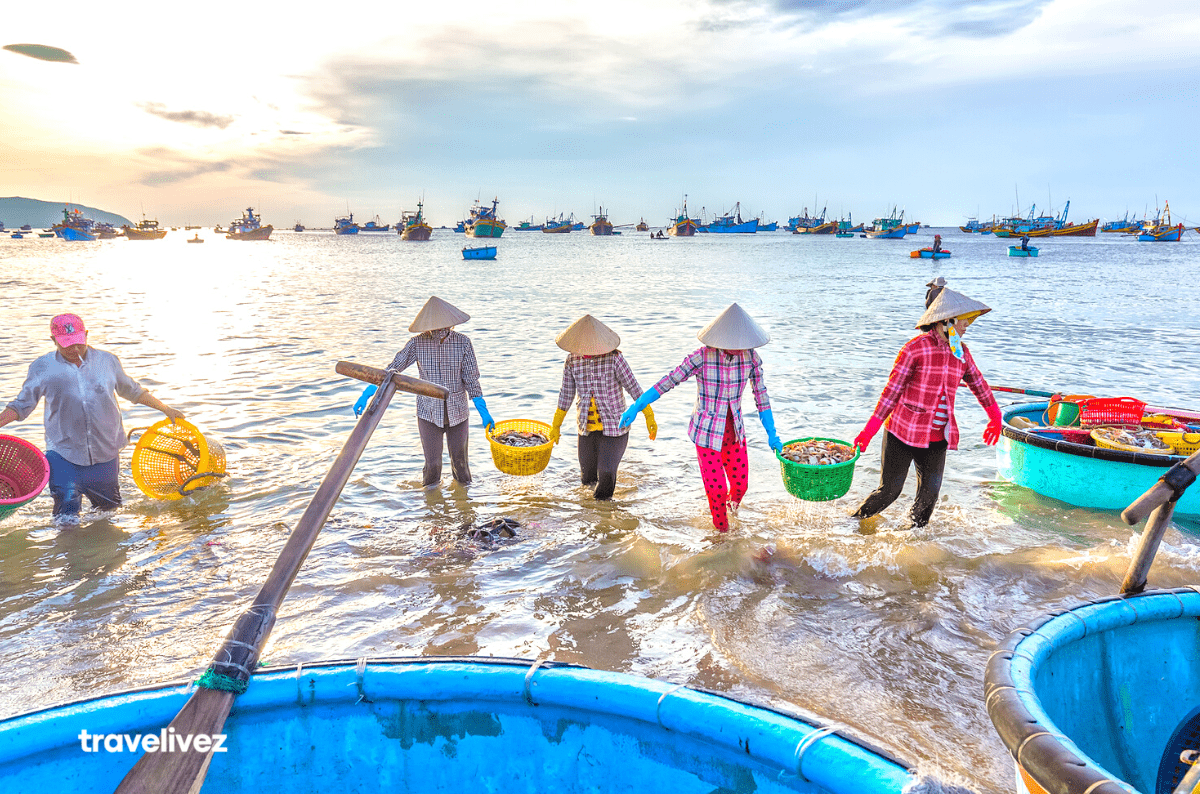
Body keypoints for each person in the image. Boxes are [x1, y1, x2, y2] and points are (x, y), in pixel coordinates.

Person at [850, 283, 1003, 529]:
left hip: (937, 438)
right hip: (903, 432)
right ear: (946, 321)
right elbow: (890, 394)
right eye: (964, 320)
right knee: (890, 491)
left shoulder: (961, 353)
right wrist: (868, 432)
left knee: (928, 498)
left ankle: (912, 547)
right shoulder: (914, 350)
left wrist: (995, 417)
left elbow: (979, 385)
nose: (967, 326)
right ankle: (852, 524)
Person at [0, 313, 184, 516]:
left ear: (86, 335)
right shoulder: (42, 367)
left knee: (108, 513)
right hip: (63, 453)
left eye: (79, 343)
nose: (75, 349)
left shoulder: (107, 361)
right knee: (65, 518)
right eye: (67, 344)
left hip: (106, 453)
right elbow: (21, 405)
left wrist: (165, 409)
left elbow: (133, 391)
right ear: (53, 340)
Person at [619, 304, 782, 532]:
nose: (737, 348)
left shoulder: (751, 359)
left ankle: (730, 518)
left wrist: (772, 434)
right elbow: (669, 381)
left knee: (740, 486)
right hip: (706, 434)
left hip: (734, 433)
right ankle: (722, 536)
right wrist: (637, 406)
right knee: (716, 489)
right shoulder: (702, 357)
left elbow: (761, 396)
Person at [353, 296, 495, 488]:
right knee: (432, 467)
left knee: (461, 467)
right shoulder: (416, 344)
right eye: (434, 326)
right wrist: (370, 391)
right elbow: (393, 369)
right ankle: (430, 511)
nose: (439, 330)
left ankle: (464, 507)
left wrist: (482, 410)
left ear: (451, 324)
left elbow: (471, 379)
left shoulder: (463, 343)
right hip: (428, 413)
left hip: (458, 413)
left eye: (443, 326)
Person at [548, 315, 656, 500]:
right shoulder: (572, 360)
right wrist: (556, 424)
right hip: (586, 428)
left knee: (606, 475)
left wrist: (649, 416)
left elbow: (633, 387)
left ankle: (606, 517)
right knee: (587, 480)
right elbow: (566, 394)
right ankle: (593, 519)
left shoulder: (615, 359)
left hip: (615, 427)